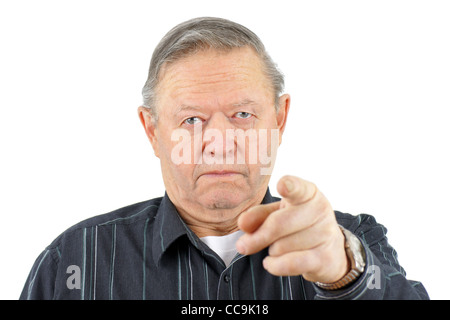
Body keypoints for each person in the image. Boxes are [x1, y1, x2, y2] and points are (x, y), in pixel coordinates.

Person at [20, 17, 429, 300]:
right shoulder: (75, 260)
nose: (220, 142)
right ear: (152, 131)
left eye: (243, 115)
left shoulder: (352, 242)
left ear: (280, 119)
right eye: (192, 119)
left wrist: (346, 273)